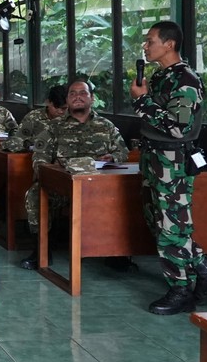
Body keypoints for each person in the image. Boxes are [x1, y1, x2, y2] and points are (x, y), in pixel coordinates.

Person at [130, 20, 207, 315]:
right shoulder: (161, 77)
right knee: (160, 223)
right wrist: (145, 97)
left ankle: (181, 290)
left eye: (150, 41)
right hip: (153, 159)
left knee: (173, 228)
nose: (146, 47)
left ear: (169, 44)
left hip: (172, 162)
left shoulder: (185, 79)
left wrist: (142, 101)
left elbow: (177, 127)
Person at [19, 78, 129, 270]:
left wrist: (113, 157)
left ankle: (116, 252)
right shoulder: (54, 127)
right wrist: (50, 176)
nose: (78, 97)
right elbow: (40, 157)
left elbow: (123, 152)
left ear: (92, 98)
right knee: (35, 195)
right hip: (62, 186)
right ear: (67, 100)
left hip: (97, 187)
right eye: (72, 94)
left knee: (124, 196)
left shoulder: (106, 126)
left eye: (83, 93)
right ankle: (41, 249)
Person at [2, 85, 68, 152]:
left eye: (64, 108)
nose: (60, 111)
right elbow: (17, 139)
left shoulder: (73, 118)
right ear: (48, 102)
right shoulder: (34, 117)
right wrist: (31, 143)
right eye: (56, 107)